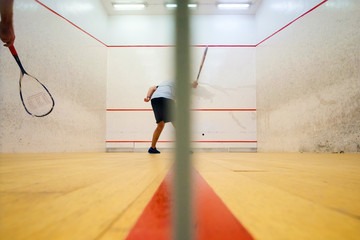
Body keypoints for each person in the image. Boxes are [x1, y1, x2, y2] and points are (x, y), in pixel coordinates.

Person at [144, 80, 198, 154]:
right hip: (166, 99)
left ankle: (152, 148)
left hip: (155, 100)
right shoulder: (176, 83)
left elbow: (151, 88)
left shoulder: (161, 86)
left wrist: (148, 97)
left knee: (160, 124)